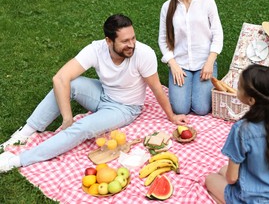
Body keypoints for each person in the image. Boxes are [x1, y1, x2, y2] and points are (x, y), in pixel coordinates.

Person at [0, 14, 188, 173]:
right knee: (69, 83)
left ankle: (18, 160)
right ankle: (24, 134)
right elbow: (60, 78)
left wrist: (171, 116)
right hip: (102, 94)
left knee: (82, 128)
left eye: (133, 38)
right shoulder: (96, 49)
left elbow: (156, 88)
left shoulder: (144, 54)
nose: (131, 44)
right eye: (125, 41)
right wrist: (67, 118)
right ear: (109, 41)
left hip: (125, 108)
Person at [205, 65, 269, 204]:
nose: (237, 87)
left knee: (210, 179)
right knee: (222, 170)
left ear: (251, 100)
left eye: (239, 86)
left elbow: (231, 178)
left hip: (252, 200)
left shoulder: (242, 129)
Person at [158, 0, 224, 115]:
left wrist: (210, 62)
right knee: (180, 109)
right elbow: (162, 39)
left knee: (201, 109)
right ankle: (188, 85)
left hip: (204, 63)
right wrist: (173, 64)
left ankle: (197, 86)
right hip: (180, 64)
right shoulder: (167, 7)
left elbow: (218, 33)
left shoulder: (207, 0)